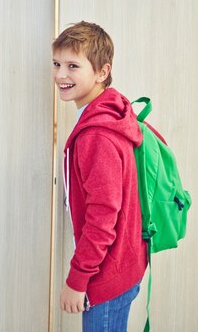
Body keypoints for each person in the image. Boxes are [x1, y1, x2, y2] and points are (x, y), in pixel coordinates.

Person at [53, 21, 147, 332]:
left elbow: (102, 216)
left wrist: (77, 280)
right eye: (57, 64)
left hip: (105, 277)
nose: (60, 75)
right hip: (122, 265)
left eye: (72, 66)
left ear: (101, 72)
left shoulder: (97, 135)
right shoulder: (109, 114)